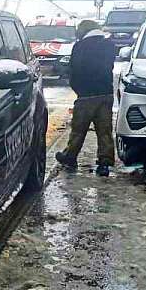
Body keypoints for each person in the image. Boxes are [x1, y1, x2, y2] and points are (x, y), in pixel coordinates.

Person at [55, 19, 117, 176]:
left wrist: (78, 89)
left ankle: (70, 156)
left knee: (78, 129)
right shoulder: (109, 45)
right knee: (104, 130)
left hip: (86, 95)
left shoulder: (80, 46)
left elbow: (74, 70)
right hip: (105, 93)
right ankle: (105, 163)